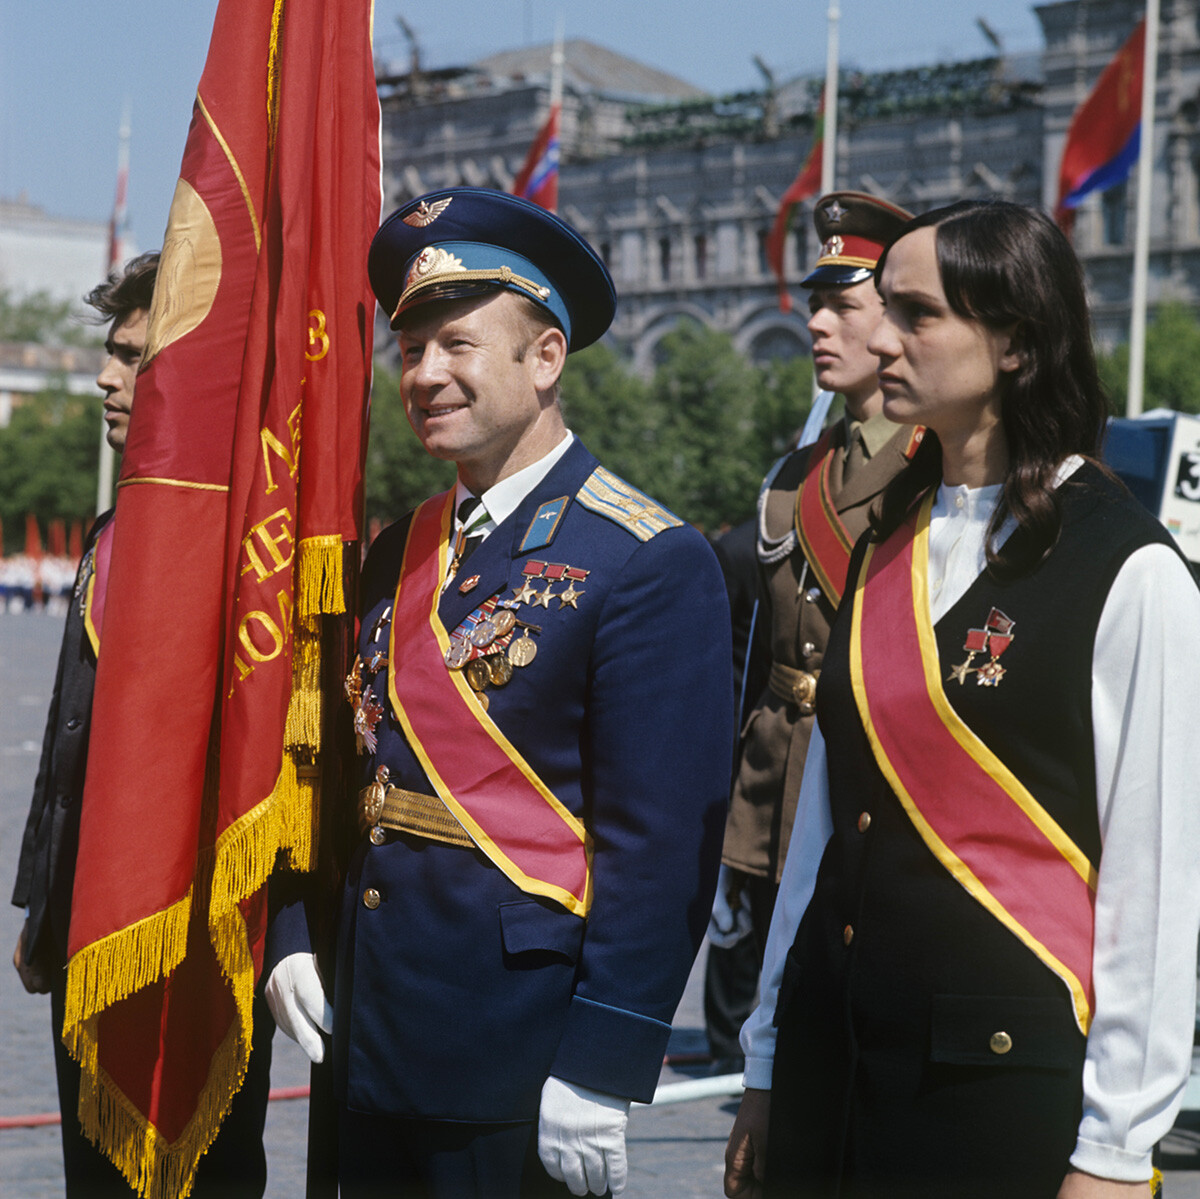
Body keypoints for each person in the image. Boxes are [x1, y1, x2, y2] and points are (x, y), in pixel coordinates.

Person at [724, 199, 1200, 1199]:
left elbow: (1154, 888)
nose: (880, 335)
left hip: (994, 1091)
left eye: (915, 312)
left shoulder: (1128, 567)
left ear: (1015, 341)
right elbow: (819, 832)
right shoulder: (884, 541)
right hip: (830, 1069)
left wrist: (1116, 1150)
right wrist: (766, 1060)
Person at [264, 187, 733, 1198]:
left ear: (546, 358)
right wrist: (295, 931)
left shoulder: (647, 558)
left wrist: (605, 1057)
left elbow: (660, 848)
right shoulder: (400, 547)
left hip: (519, 1048)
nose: (425, 374)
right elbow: (344, 765)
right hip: (370, 1022)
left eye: (458, 344)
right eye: (410, 349)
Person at [11, 252, 274, 1198]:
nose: (105, 379)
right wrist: (45, 906)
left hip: (194, 943)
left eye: (134, 357)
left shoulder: (248, 551)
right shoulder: (113, 527)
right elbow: (69, 744)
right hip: (92, 926)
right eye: (110, 354)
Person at [713, 192, 916, 960]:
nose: (815, 324)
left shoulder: (936, 467)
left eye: (840, 306)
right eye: (814, 306)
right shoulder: (794, 476)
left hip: (876, 798)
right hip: (775, 799)